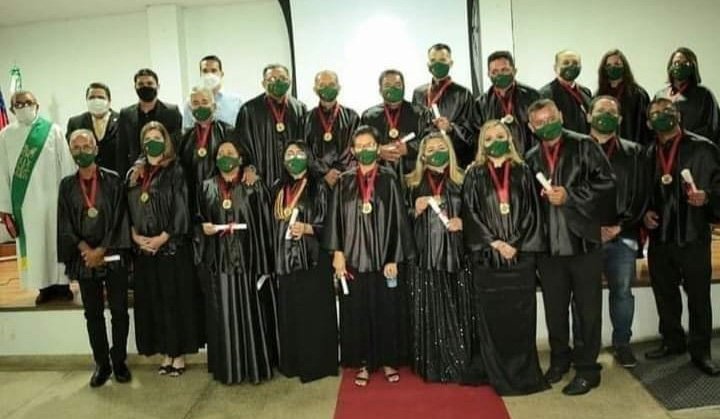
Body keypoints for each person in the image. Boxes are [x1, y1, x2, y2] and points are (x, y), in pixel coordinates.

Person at [525, 99, 616, 395]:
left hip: (583, 242)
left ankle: (588, 369)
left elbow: (607, 183)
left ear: (561, 116)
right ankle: (559, 361)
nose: (546, 124)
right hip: (548, 247)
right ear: (531, 127)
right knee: (554, 310)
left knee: (588, 310)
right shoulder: (530, 158)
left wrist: (571, 196)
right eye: (540, 122)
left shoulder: (584, 145)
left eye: (551, 117)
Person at [462, 120, 548, 395]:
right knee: (492, 318)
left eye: (500, 136)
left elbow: (533, 212)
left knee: (520, 318)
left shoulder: (524, 171)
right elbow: (470, 213)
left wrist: (516, 243)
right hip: (488, 258)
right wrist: (496, 242)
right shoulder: (474, 175)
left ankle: (522, 372)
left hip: (520, 259)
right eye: (488, 138)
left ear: (509, 139)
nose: (495, 141)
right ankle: (496, 372)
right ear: (482, 144)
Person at [324, 125, 413, 387]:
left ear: (378, 147)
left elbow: (399, 220)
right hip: (353, 258)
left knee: (387, 310)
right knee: (357, 311)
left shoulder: (389, 179)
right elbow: (334, 220)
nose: (365, 150)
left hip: (384, 258)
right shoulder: (344, 181)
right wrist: (337, 254)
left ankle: (388, 360)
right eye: (360, 146)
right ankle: (362, 361)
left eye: (370, 145)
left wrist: (394, 258)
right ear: (352, 150)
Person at [642, 98, 720, 376]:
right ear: (648, 122)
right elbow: (642, 193)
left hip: (693, 234)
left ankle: (701, 352)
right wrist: (645, 214)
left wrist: (707, 197)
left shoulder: (704, 148)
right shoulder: (647, 153)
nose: (662, 115)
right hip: (660, 236)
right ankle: (672, 341)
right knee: (665, 294)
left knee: (698, 296)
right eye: (655, 113)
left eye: (668, 110)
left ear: (678, 115)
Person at [197, 138, 277, 384]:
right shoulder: (206, 187)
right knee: (223, 316)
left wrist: (264, 262)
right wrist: (203, 228)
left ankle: (254, 368)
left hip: (249, 261)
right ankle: (228, 369)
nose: (225, 156)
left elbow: (265, 225)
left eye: (230, 152)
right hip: (219, 262)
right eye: (221, 152)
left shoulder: (253, 186)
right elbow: (198, 218)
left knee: (252, 315)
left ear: (241, 158)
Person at [127, 121, 204, 377]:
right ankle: (165, 352)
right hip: (145, 250)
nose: (153, 142)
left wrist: (163, 237)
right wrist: (135, 236)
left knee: (174, 302)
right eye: (148, 138)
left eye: (157, 138)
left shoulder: (176, 170)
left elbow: (182, 207)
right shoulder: (135, 173)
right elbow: (127, 207)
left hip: (171, 247)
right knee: (155, 302)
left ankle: (177, 354)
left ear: (166, 141)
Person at [57, 129, 131, 387]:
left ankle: (119, 361)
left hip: (113, 254)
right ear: (70, 151)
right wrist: (86, 250)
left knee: (119, 311)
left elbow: (120, 217)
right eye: (76, 147)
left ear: (96, 149)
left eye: (86, 146)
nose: (81, 152)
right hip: (84, 259)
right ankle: (102, 364)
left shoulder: (113, 180)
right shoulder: (66, 185)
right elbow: (65, 223)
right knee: (93, 314)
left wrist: (102, 249)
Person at [404, 132, 470, 382]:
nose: (435, 153)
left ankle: (460, 362)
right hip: (425, 256)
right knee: (430, 310)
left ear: (449, 149)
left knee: (458, 309)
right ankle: (432, 364)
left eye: (440, 147)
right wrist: (414, 210)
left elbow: (477, 212)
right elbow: (397, 220)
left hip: (456, 254)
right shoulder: (410, 182)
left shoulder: (464, 179)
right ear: (422, 155)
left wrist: (464, 222)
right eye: (430, 149)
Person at [0, 90, 76, 304]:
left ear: (37, 105)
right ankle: (44, 288)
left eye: (28, 102)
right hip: (25, 204)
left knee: (56, 242)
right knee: (35, 246)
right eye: (18, 104)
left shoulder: (53, 130)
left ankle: (63, 285)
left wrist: (69, 198)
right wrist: (5, 207)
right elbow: (2, 172)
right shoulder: (5, 135)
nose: (24, 106)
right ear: (12, 109)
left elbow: (66, 164)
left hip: (54, 199)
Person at [588, 96, 647, 368]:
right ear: (589, 116)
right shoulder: (576, 149)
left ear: (620, 119)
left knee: (622, 293)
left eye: (612, 112)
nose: (606, 115)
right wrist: (592, 228)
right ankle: (585, 349)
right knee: (584, 296)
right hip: (585, 238)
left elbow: (641, 194)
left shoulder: (635, 152)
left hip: (623, 236)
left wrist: (620, 226)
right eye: (600, 111)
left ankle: (622, 344)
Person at [272, 141, 338, 383]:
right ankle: (293, 363)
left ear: (308, 157)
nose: (293, 157)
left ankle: (316, 365)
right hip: (285, 259)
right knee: (291, 313)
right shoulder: (278, 187)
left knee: (313, 313)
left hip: (312, 259)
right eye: (289, 154)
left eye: (299, 153)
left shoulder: (318, 186)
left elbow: (331, 222)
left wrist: (309, 228)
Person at [236, 64, 307, 188]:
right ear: (263, 83)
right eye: (272, 79)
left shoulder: (299, 108)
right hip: (260, 176)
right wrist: (247, 166)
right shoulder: (249, 110)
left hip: (293, 176)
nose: (277, 82)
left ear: (289, 81)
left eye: (282, 78)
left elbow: (305, 144)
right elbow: (241, 144)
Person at [361, 69, 432, 180]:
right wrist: (378, 151)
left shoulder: (421, 113)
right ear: (380, 90)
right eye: (387, 85)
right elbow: (360, 145)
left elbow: (431, 140)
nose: (393, 88)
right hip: (379, 177)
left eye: (397, 85)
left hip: (414, 175)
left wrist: (409, 148)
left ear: (404, 87)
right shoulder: (368, 116)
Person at [412, 43, 475, 166]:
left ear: (450, 63)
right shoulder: (418, 93)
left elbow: (471, 131)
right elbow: (414, 126)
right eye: (433, 60)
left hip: (454, 158)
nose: (437, 64)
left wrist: (451, 128)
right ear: (428, 65)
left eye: (442, 60)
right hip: (425, 157)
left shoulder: (463, 93)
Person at [116, 68, 182, 177]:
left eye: (149, 83)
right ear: (135, 87)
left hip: (165, 172)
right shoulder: (125, 114)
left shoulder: (172, 112)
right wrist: (124, 177)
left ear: (158, 86)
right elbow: (121, 149)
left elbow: (176, 144)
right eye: (141, 84)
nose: (145, 87)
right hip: (136, 174)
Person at [474, 50, 541, 155]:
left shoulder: (532, 96)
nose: (499, 75)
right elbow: (478, 139)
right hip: (496, 159)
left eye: (504, 70)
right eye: (494, 72)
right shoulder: (481, 104)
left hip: (528, 158)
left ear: (514, 71)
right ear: (488, 74)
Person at [303, 70, 359, 189]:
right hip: (317, 183)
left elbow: (355, 148)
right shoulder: (306, 118)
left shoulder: (352, 117)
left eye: (331, 84)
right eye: (322, 85)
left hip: (346, 180)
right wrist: (324, 172)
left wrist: (340, 172)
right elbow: (305, 151)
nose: (327, 88)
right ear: (315, 89)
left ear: (339, 87)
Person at [655, 47, 720, 143]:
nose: (680, 66)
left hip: (695, 148)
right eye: (676, 63)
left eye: (685, 63)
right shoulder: (661, 96)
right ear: (670, 67)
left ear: (693, 67)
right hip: (665, 148)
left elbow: (712, 129)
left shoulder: (704, 95)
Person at [595, 50, 652, 145]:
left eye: (617, 64)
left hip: (631, 146)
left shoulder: (638, 95)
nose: (613, 67)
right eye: (608, 65)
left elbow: (643, 129)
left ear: (624, 67)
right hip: (602, 146)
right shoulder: (599, 95)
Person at [66, 82, 120, 172]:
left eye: (100, 97)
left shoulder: (122, 120)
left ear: (109, 101)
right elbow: (70, 152)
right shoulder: (75, 123)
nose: (96, 101)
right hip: (85, 175)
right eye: (92, 97)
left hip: (117, 176)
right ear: (86, 100)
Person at [182, 55, 242, 129]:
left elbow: (242, 130)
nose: (209, 74)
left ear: (221, 74)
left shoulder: (236, 101)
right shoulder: (190, 102)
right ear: (200, 74)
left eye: (213, 71)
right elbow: (187, 130)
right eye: (205, 71)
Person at [540, 50, 592, 134]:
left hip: (585, 140)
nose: (571, 66)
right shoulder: (546, 94)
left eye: (575, 63)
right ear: (555, 68)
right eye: (566, 63)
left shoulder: (586, 92)